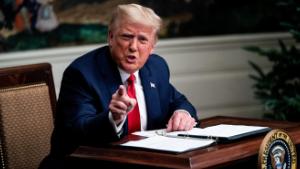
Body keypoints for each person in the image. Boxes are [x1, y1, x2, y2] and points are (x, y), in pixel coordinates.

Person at [39, 3, 198, 169]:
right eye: (127, 37)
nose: (133, 47)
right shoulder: (82, 73)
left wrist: (182, 113)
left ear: (152, 47)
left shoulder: (156, 68)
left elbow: (178, 101)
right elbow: (77, 131)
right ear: (110, 37)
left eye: (143, 39)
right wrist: (113, 118)